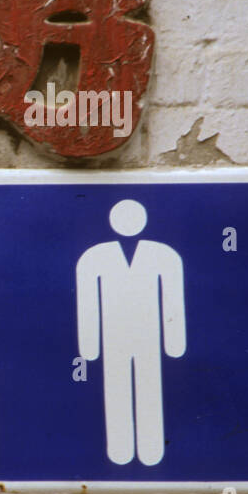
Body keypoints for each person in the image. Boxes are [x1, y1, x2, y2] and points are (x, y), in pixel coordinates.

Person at [75, 200, 186, 466]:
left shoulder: (164, 254)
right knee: (116, 389)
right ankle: (119, 452)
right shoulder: (94, 256)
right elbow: (87, 301)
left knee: (150, 387)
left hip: (150, 335)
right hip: (112, 336)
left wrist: (175, 342)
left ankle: (152, 451)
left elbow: (173, 297)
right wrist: (88, 346)